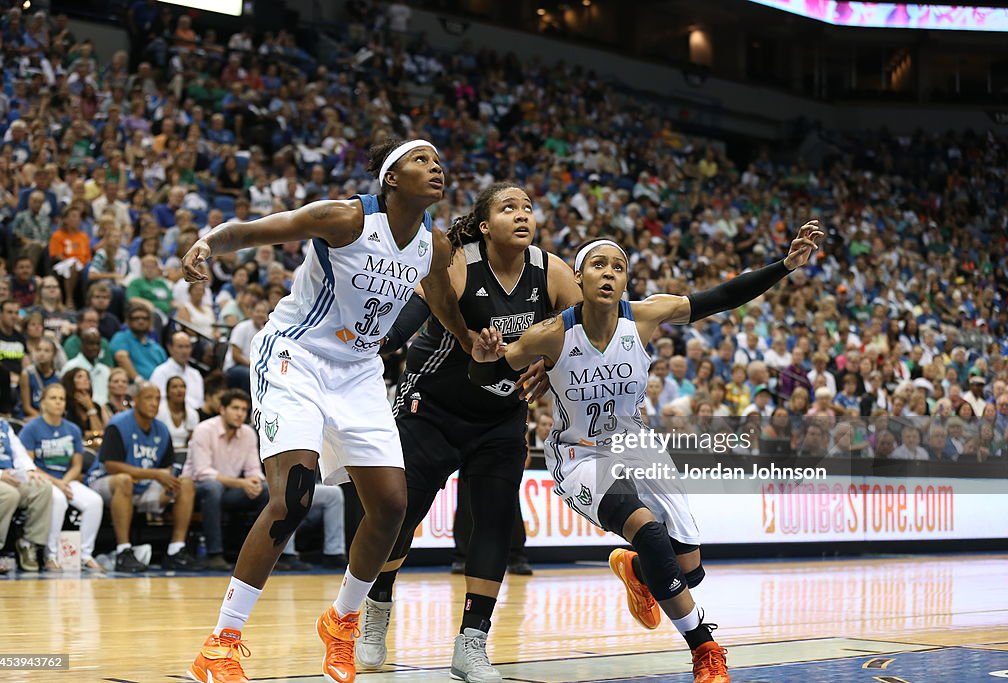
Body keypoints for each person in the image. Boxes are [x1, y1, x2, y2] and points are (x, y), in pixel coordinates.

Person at [468, 223, 823, 683]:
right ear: (578, 278)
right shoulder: (551, 334)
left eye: (619, 266)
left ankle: (635, 569)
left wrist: (785, 266)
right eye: (598, 265)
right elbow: (486, 376)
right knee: (650, 532)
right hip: (581, 455)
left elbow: (721, 297)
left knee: (687, 572)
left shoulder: (647, 317)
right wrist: (481, 358)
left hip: (637, 446)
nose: (609, 273)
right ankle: (705, 650)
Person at [183, 138, 472, 683]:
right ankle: (221, 642)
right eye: (421, 161)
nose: (436, 168)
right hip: (297, 354)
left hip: (359, 371)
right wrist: (209, 242)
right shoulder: (345, 219)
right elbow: (263, 228)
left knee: (390, 506)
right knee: (291, 496)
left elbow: (440, 298)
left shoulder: (432, 246)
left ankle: (341, 622)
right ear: (391, 178)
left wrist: (466, 337)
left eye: (439, 160)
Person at [359, 183, 580, 681]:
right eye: (509, 208)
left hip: (500, 414)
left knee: (495, 522)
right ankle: (376, 607)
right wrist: (371, 344)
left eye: (528, 206)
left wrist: (550, 359)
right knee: (398, 518)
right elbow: (407, 318)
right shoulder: (459, 261)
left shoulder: (551, 271)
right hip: (431, 406)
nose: (523, 214)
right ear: (485, 225)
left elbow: (589, 329)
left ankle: (472, 643)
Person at [89, 383, 201, 572]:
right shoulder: (118, 424)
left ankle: (175, 550)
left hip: (143, 486)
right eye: (149, 398)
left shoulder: (162, 429)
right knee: (124, 480)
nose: (154, 403)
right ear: (135, 401)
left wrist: (168, 477)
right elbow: (111, 465)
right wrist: (155, 474)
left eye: (157, 399)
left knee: (186, 484)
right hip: (105, 483)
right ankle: (123, 551)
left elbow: (166, 467)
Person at [19, 384, 104, 572]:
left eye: (62, 399)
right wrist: (57, 484)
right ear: (43, 403)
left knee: (94, 502)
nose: (58, 402)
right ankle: (51, 555)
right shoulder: (31, 429)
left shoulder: (72, 429)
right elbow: (28, 466)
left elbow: (77, 465)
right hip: (42, 481)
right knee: (58, 500)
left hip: (66, 479)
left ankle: (85, 554)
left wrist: (64, 483)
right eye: (53, 398)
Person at [183, 389, 266, 572]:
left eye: (244, 410)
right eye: (235, 408)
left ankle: (257, 555)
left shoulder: (248, 434)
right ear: (222, 409)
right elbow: (202, 472)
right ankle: (214, 554)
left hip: (230, 489)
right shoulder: (204, 430)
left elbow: (253, 470)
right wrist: (242, 483)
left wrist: (254, 481)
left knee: (266, 491)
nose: (240, 414)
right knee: (213, 487)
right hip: (196, 489)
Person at [0, 382, 53, 572]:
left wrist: (29, 471)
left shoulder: (1, 423)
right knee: (8, 494)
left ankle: (28, 544)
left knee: (43, 487)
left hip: (11, 474)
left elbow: (18, 451)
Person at [111, 303, 168, 381]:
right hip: (133, 385)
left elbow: (165, 368)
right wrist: (138, 380)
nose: (141, 321)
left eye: (145, 318)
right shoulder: (121, 337)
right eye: (136, 318)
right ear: (128, 321)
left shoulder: (156, 347)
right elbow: (121, 358)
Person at [150, 332, 204, 410]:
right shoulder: (160, 372)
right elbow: (158, 401)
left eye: (187, 347)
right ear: (170, 348)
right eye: (180, 347)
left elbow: (200, 402)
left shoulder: (196, 374)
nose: (184, 351)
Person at [61, 328, 113, 407]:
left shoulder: (105, 370)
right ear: (82, 345)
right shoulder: (70, 367)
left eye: (98, 344)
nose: (95, 348)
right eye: (91, 344)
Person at [20, 338, 61, 418]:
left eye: (46, 351)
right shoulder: (27, 374)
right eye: (38, 350)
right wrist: (43, 420)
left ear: (54, 354)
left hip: (51, 415)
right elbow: (26, 407)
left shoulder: (58, 377)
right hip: (31, 415)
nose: (42, 354)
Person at [157, 375, 199, 451]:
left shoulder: (192, 414)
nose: (179, 390)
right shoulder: (158, 412)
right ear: (167, 392)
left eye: (182, 387)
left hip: (185, 453)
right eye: (174, 387)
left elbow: (192, 442)